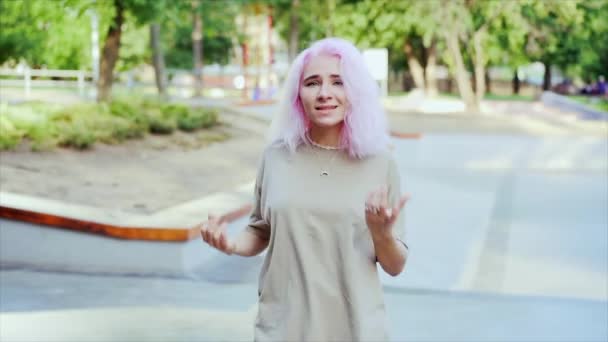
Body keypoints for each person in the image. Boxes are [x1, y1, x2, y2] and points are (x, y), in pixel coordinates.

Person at [199, 37, 410, 341]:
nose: (325, 93)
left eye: (338, 82)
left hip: (355, 330)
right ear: (298, 95)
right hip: (282, 327)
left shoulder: (380, 162)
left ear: (356, 91)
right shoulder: (275, 156)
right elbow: (259, 230)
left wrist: (381, 233)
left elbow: (395, 266)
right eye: (312, 83)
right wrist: (229, 245)